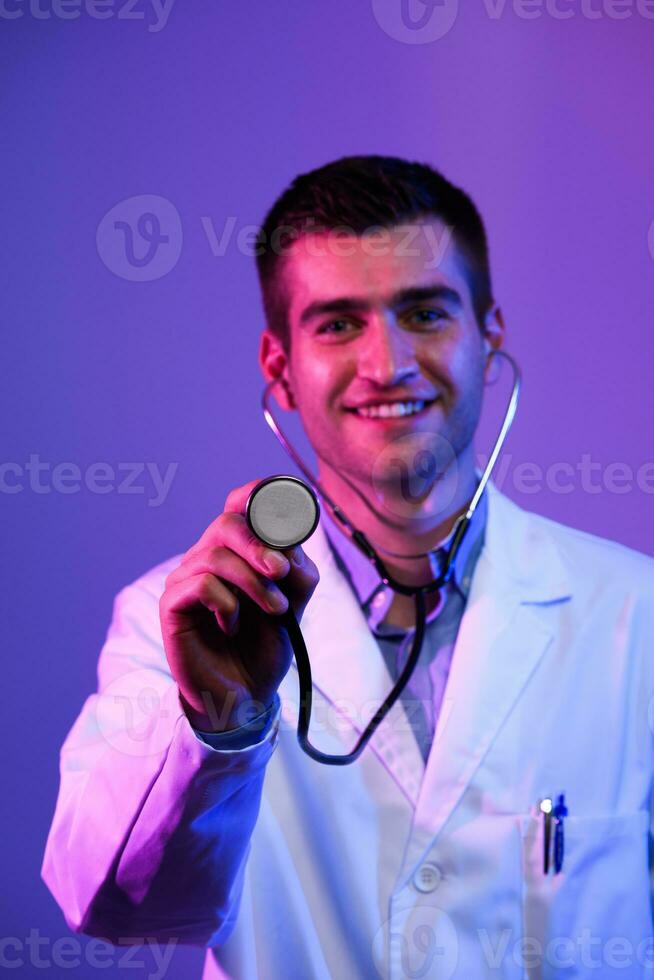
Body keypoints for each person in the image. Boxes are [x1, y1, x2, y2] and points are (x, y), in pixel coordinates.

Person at [42, 156, 654, 979]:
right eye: (337, 324)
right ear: (279, 367)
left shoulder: (635, 616)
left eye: (426, 313)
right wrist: (219, 722)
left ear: (489, 332)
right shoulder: (175, 615)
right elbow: (118, 907)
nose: (388, 363)